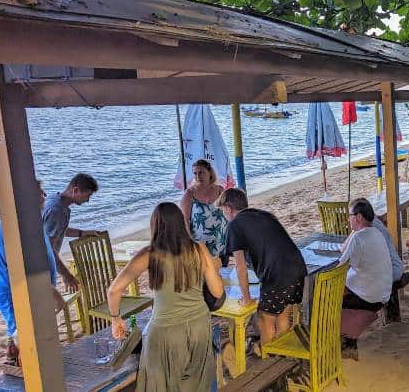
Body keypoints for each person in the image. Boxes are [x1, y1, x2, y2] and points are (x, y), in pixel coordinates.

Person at [107, 202, 223, 392]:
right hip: (199, 326)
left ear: (155, 225)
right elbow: (217, 292)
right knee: (195, 385)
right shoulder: (199, 249)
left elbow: (114, 291)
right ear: (181, 223)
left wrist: (115, 318)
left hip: (165, 333)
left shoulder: (149, 254)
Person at [217, 188, 307, 354]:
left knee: (265, 320)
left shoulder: (234, 225)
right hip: (298, 267)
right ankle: (282, 356)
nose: (224, 215)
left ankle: (269, 360)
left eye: (223, 210)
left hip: (278, 275)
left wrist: (246, 298)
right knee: (282, 316)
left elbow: (240, 267)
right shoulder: (264, 214)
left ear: (229, 209)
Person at [0, 180, 65, 366]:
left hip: (35, 290)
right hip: (14, 291)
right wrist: (54, 293)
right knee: (22, 337)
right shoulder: (16, 226)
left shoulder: (32, 221)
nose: (44, 195)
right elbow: (26, 267)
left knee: (32, 336)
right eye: (40, 192)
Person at [42, 173, 100, 290]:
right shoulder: (57, 210)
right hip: (41, 267)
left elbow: (57, 230)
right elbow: (47, 248)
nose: (88, 200)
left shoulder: (55, 199)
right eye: (87, 196)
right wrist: (66, 275)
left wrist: (82, 233)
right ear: (75, 190)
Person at [339, 198, 392, 312]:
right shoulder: (377, 233)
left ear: (359, 217)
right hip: (383, 293)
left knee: (329, 296)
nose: (348, 219)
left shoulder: (359, 237)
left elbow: (340, 268)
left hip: (369, 299)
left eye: (350, 215)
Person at [180, 159, 228, 266]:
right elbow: (184, 221)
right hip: (201, 246)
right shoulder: (189, 194)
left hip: (221, 243)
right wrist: (190, 242)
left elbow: (228, 212)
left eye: (201, 172)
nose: (198, 176)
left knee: (221, 275)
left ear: (209, 173)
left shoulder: (220, 190)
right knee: (203, 280)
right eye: (195, 173)